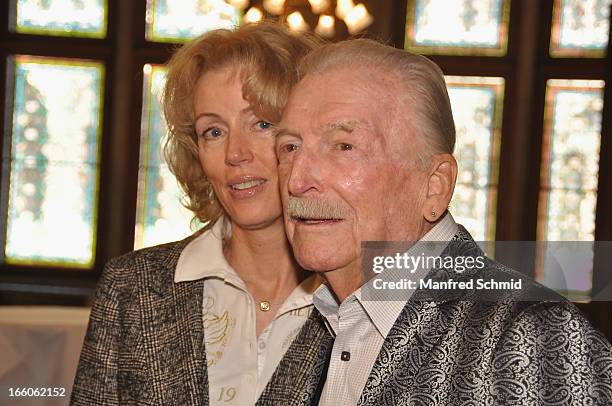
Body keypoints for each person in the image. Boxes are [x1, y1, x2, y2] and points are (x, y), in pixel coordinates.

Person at [258, 39, 612, 405]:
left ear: (434, 186)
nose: (298, 180)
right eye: (290, 147)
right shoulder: (319, 321)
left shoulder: (538, 338)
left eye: (344, 146)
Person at [71, 23, 322, 405]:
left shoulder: (361, 292)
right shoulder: (131, 289)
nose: (236, 153)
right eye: (213, 132)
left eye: (262, 124)